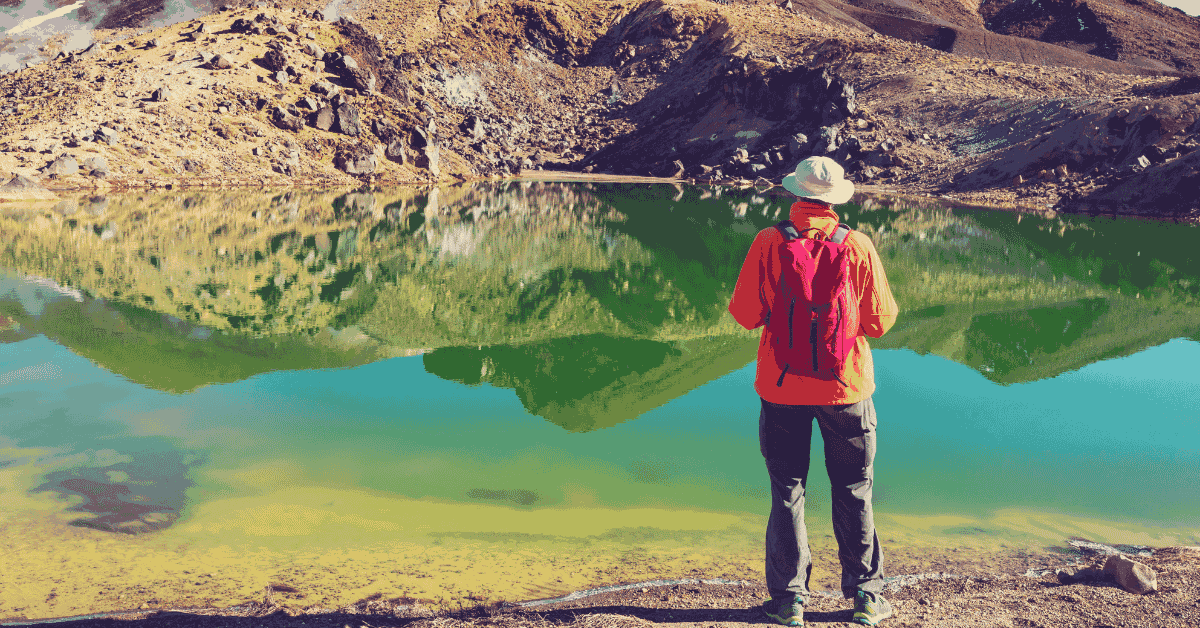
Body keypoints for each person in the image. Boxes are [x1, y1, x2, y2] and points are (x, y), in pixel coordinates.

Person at [728, 156, 899, 627]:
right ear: (835, 200)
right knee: (854, 488)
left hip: (781, 387)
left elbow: (745, 312)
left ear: (795, 196)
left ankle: (789, 602)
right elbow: (881, 323)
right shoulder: (858, 244)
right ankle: (866, 596)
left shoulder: (768, 242)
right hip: (846, 389)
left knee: (787, 489)